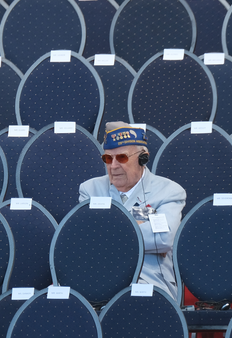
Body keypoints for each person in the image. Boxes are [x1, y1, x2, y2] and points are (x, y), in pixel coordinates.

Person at [78, 122, 186, 301]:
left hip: (148, 280)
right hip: (99, 278)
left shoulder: (169, 191)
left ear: (143, 158)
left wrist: (106, 233)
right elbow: (86, 241)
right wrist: (136, 226)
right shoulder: (90, 190)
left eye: (121, 158)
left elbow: (164, 239)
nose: (113, 166)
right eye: (107, 158)